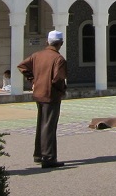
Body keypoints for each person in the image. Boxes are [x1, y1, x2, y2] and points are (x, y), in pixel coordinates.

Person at [18, 30, 68, 169]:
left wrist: (33, 80)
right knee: (49, 126)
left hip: (39, 93)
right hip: (51, 95)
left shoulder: (37, 55)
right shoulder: (59, 59)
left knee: (42, 123)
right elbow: (58, 79)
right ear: (61, 43)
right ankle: (48, 157)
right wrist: (61, 90)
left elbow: (22, 66)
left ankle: (39, 154)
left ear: (47, 42)